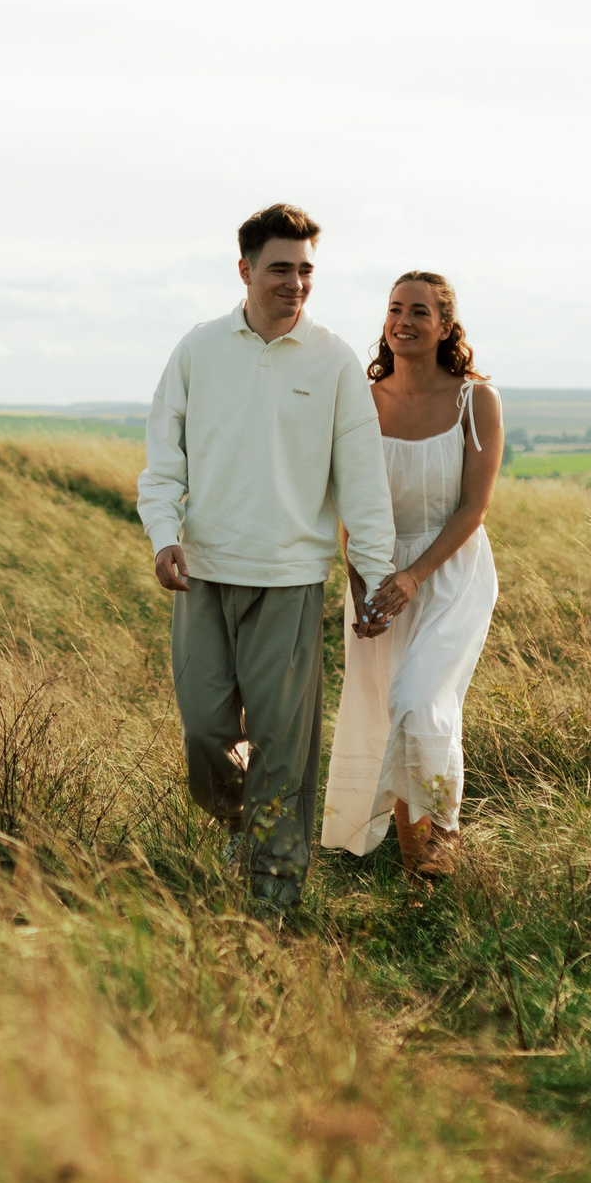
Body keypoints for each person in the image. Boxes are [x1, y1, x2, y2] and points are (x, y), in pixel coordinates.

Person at [137, 204, 397, 921]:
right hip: (205, 573)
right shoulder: (197, 350)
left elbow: (364, 484)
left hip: (289, 582)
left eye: (307, 269)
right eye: (282, 268)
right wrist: (164, 535)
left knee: (285, 749)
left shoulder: (335, 360)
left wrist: (371, 577)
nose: (296, 282)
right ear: (246, 269)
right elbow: (163, 464)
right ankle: (239, 822)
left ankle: (273, 901)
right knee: (206, 735)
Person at [320, 271, 502, 880]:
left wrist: (415, 577)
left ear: (445, 326)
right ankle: (415, 871)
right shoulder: (363, 402)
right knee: (385, 712)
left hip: (450, 573)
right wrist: (363, 590)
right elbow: (352, 506)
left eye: (419, 311)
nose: (403, 320)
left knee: (420, 703)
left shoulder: (476, 400)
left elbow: (473, 509)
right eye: (394, 308)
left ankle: (439, 848)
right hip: (376, 573)